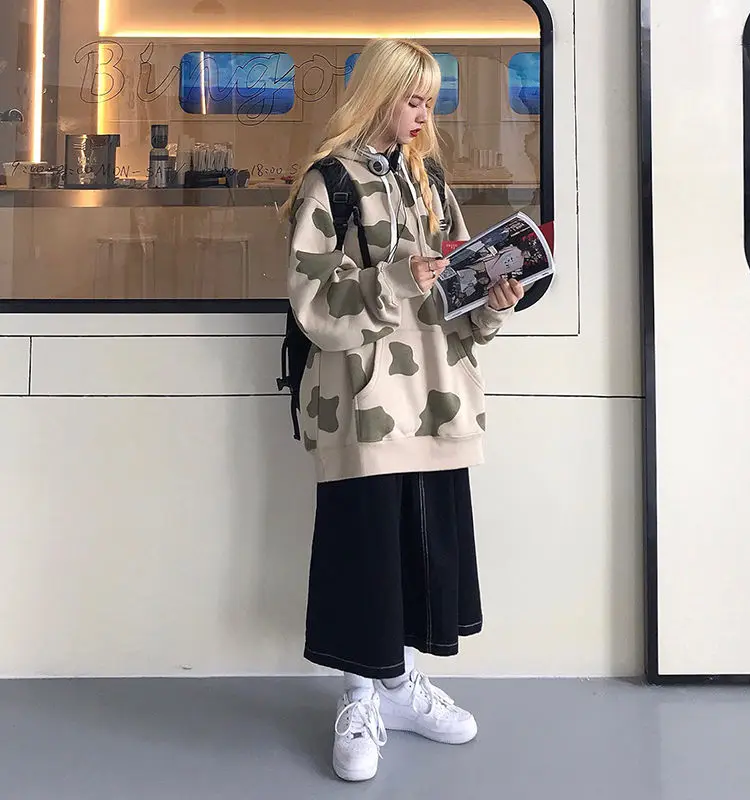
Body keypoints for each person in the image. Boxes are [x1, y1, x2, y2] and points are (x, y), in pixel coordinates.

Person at [281, 38, 525, 783]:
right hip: (363, 402)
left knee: (422, 544)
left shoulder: (429, 179)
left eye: (430, 100)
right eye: (413, 99)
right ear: (380, 94)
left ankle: (397, 687)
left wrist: (493, 299)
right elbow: (310, 299)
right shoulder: (330, 181)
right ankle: (360, 698)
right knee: (363, 546)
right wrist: (394, 276)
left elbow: (453, 293)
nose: (425, 113)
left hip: (435, 397)